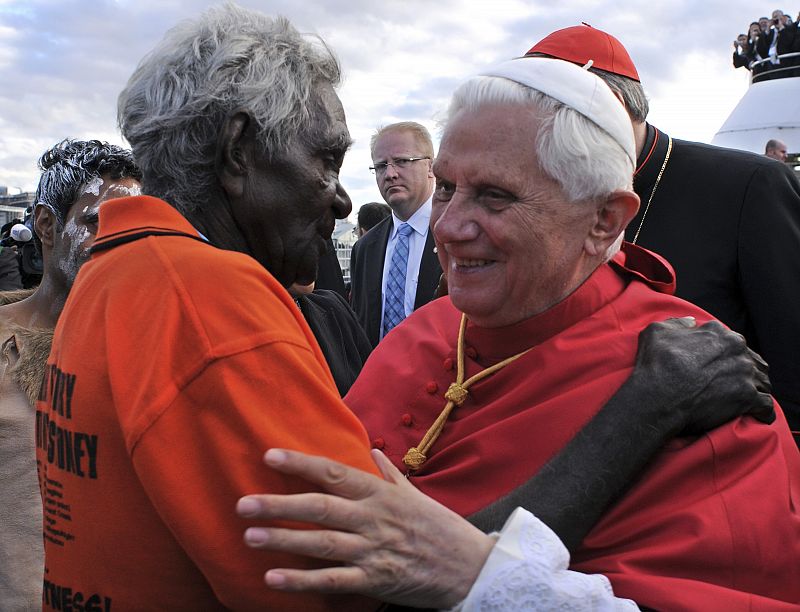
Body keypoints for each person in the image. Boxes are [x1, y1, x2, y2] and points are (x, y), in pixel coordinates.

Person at [245, 56, 800, 610]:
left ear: (604, 219)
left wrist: (486, 579)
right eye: (446, 189)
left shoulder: (708, 392)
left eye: (495, 196)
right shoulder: (427, 327)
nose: (448, 227)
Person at [36, 7, 382, 611]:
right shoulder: (210, 298)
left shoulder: (112, 270)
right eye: (327, 160)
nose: (343, 201)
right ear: (237, 151)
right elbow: (365, 579)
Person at [528, 23, 800, 445]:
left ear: (609, 105)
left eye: (544, 114)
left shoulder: (751, 186)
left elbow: (794, 354)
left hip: (719, 467)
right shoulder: (552, 188)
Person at [0, 139, 141, 611]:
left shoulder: (147, 346)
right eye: (97, 220)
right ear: (45, 224)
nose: (121, 240)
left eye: (135, 224)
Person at [349, 122, 442, 345]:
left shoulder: (458, 235)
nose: (390, 174)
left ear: (431, 167)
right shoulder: (364, 249)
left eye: (402, 161)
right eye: (380, 166)